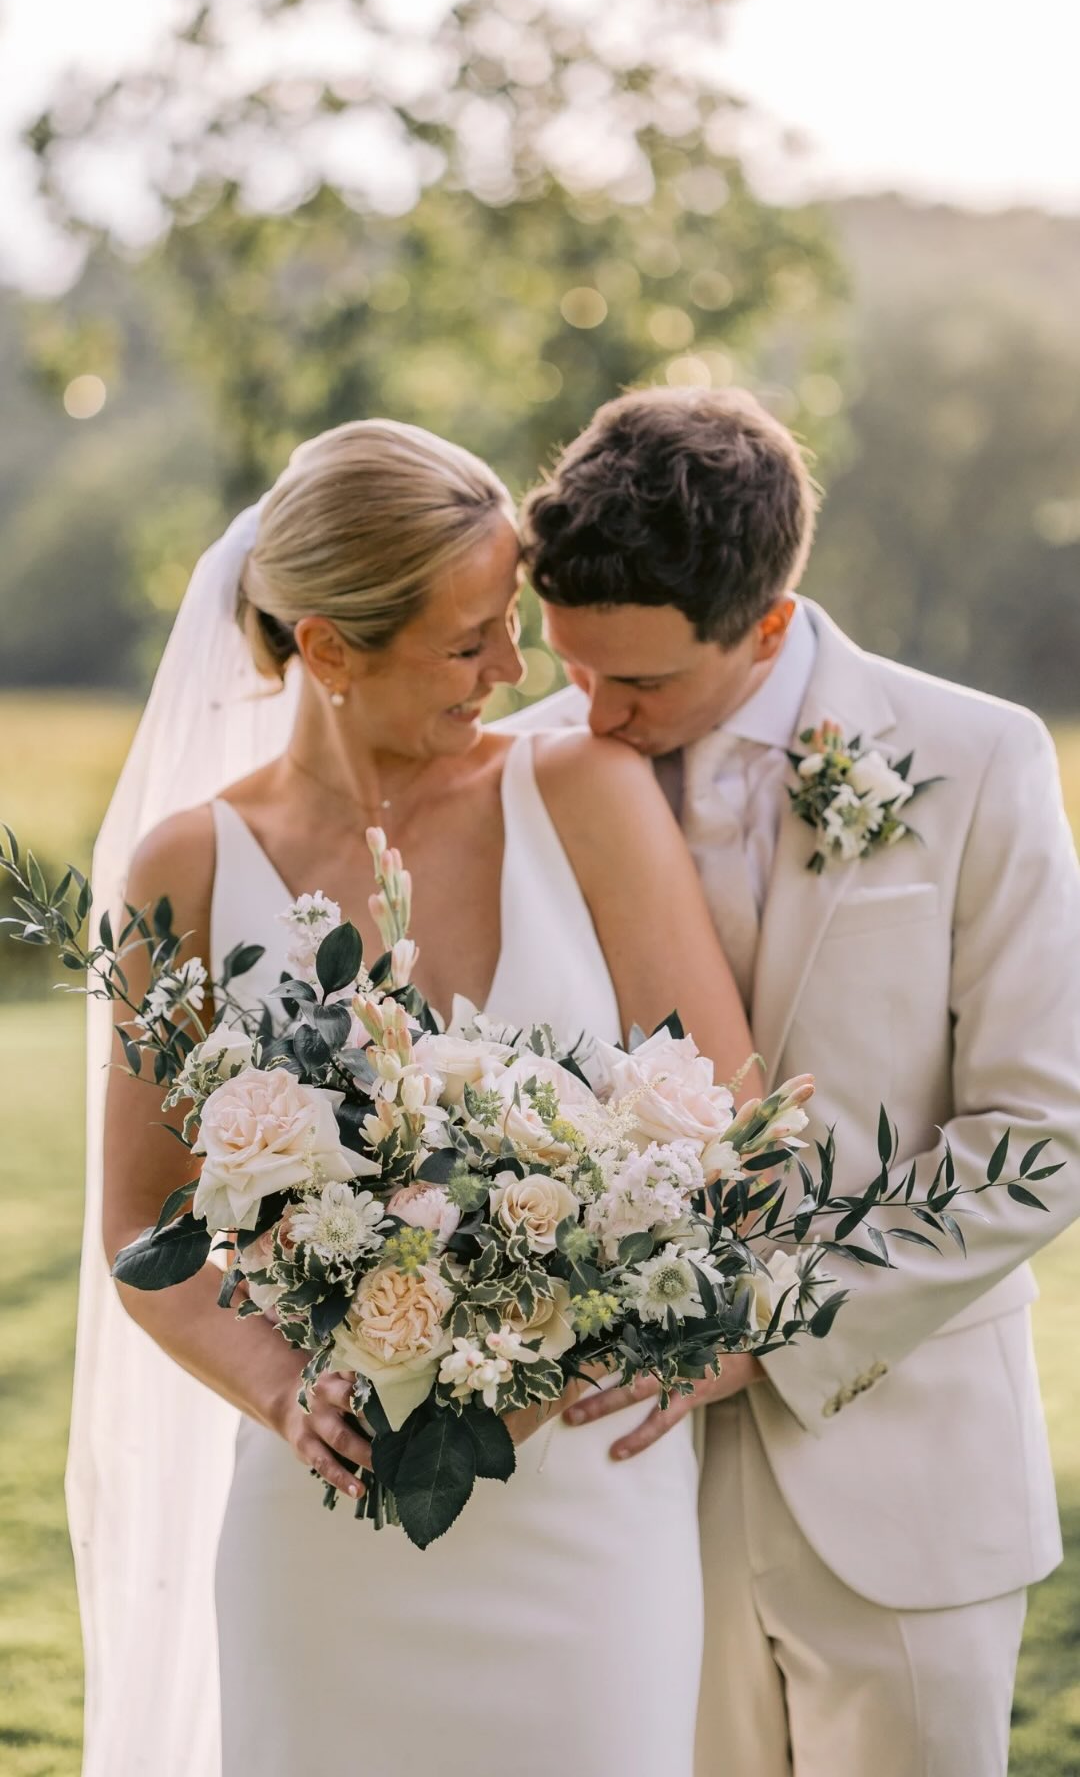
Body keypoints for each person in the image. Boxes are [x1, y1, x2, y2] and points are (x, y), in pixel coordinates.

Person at [88, 419, 752, 1777]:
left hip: (585, 1513)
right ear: (328, 648)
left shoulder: (585, 794)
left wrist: (615, 1317)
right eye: (471, 642)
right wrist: (283, 1391)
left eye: (509, 623)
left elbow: (726, 1125)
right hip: (325, 1530)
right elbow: (144, 1223)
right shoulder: (190, 870)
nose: (517, 672)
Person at [514, 383, 1080, 1777]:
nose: (595, 710)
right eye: (572, 666)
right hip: (619, 1492)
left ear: (768, 622)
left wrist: (761, 1323)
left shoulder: (976, 757)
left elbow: (1045, 1132)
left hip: (911, 1474)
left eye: (640, 683)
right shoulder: (522, 771)